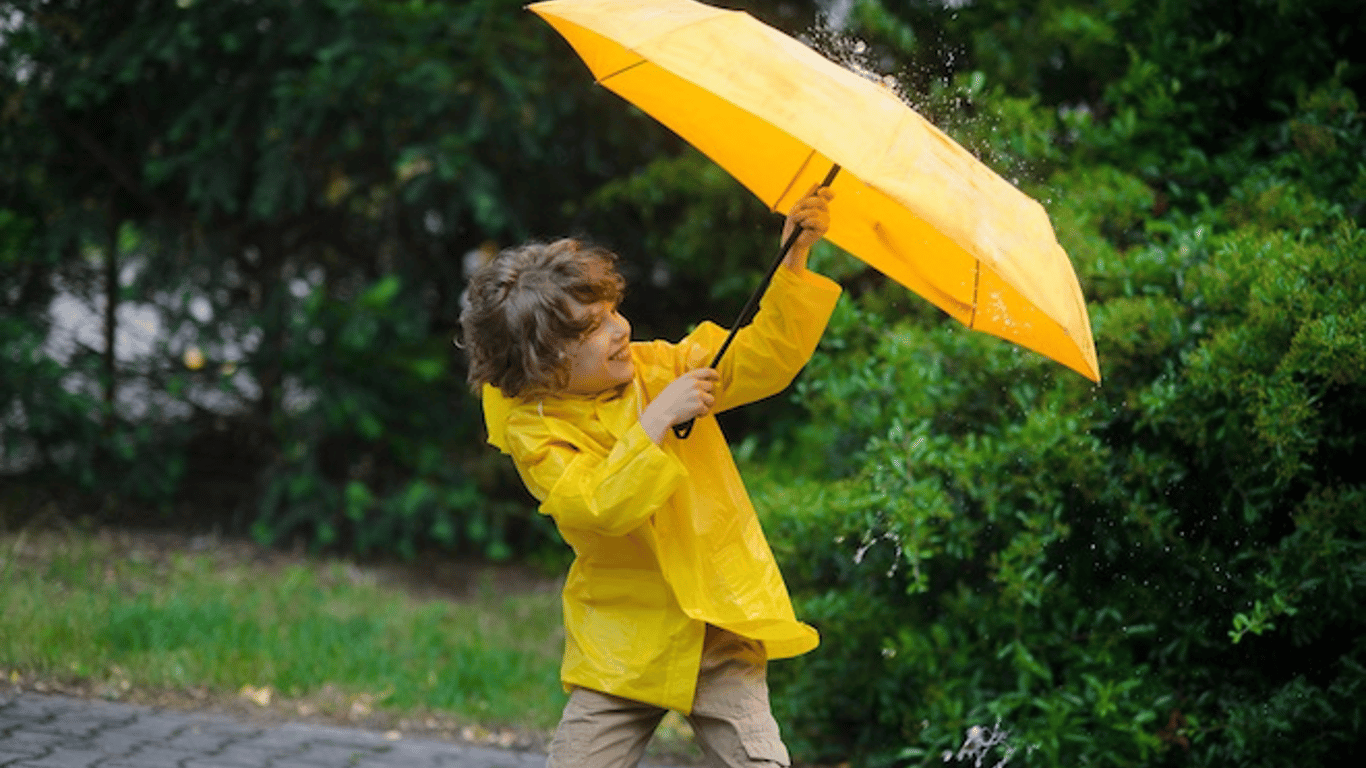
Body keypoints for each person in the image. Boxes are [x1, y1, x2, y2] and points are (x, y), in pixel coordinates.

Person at [459, 185, 839, 768]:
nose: (620, 329)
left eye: (613, 311)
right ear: (544, 362)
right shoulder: (534, 429)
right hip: (624, 635)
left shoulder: (659, 368)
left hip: (718, 622)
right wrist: (657, 421)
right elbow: (597, 506)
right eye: (592, 328)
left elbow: (762, 357)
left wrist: (792, 263)